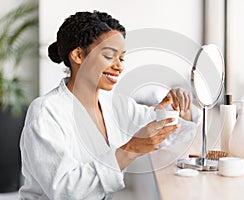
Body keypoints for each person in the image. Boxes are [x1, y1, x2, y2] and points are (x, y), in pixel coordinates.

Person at [19, 11, 200, 199]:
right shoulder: (46, 112)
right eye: (108, 56)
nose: (119, 66)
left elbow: (166, 134)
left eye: (121, 58)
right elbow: (65, 190)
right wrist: (130, 149)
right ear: (79, 55)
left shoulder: (115, 105)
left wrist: (179, 108)